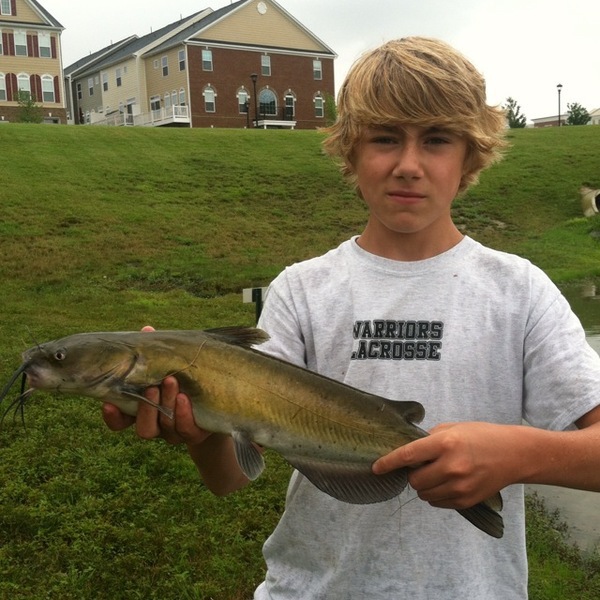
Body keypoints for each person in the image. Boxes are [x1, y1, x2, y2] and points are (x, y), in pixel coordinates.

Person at [102, 37, 600, 599]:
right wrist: (198, 431)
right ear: (351, 152)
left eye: (436, 140)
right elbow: (229, 477)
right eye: (385, 138)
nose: (408, 165)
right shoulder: (302, 290)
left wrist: (518, 455)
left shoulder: (519, 291)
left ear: (470, 155)